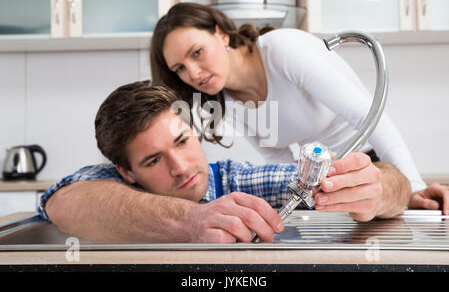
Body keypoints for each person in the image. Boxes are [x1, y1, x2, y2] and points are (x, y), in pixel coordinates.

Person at [149, 2, 448, 214]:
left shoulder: (282, 50)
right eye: (180, 68)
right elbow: (278, 159)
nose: (194, 73)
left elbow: (369, 117)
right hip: (332, 179)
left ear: (221, 33)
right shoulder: (226, 102)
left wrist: (413, 188)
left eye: (197, 53)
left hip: (380, 162)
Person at [40, 81, 413, 244]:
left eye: (182, 142)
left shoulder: (237, 181)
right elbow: (61, 200)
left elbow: (393, 182)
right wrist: (192, 220)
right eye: (154, 160)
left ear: (195, 132)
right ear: (125, 171)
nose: (182, 167)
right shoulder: (109, 186)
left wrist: (378, 189)